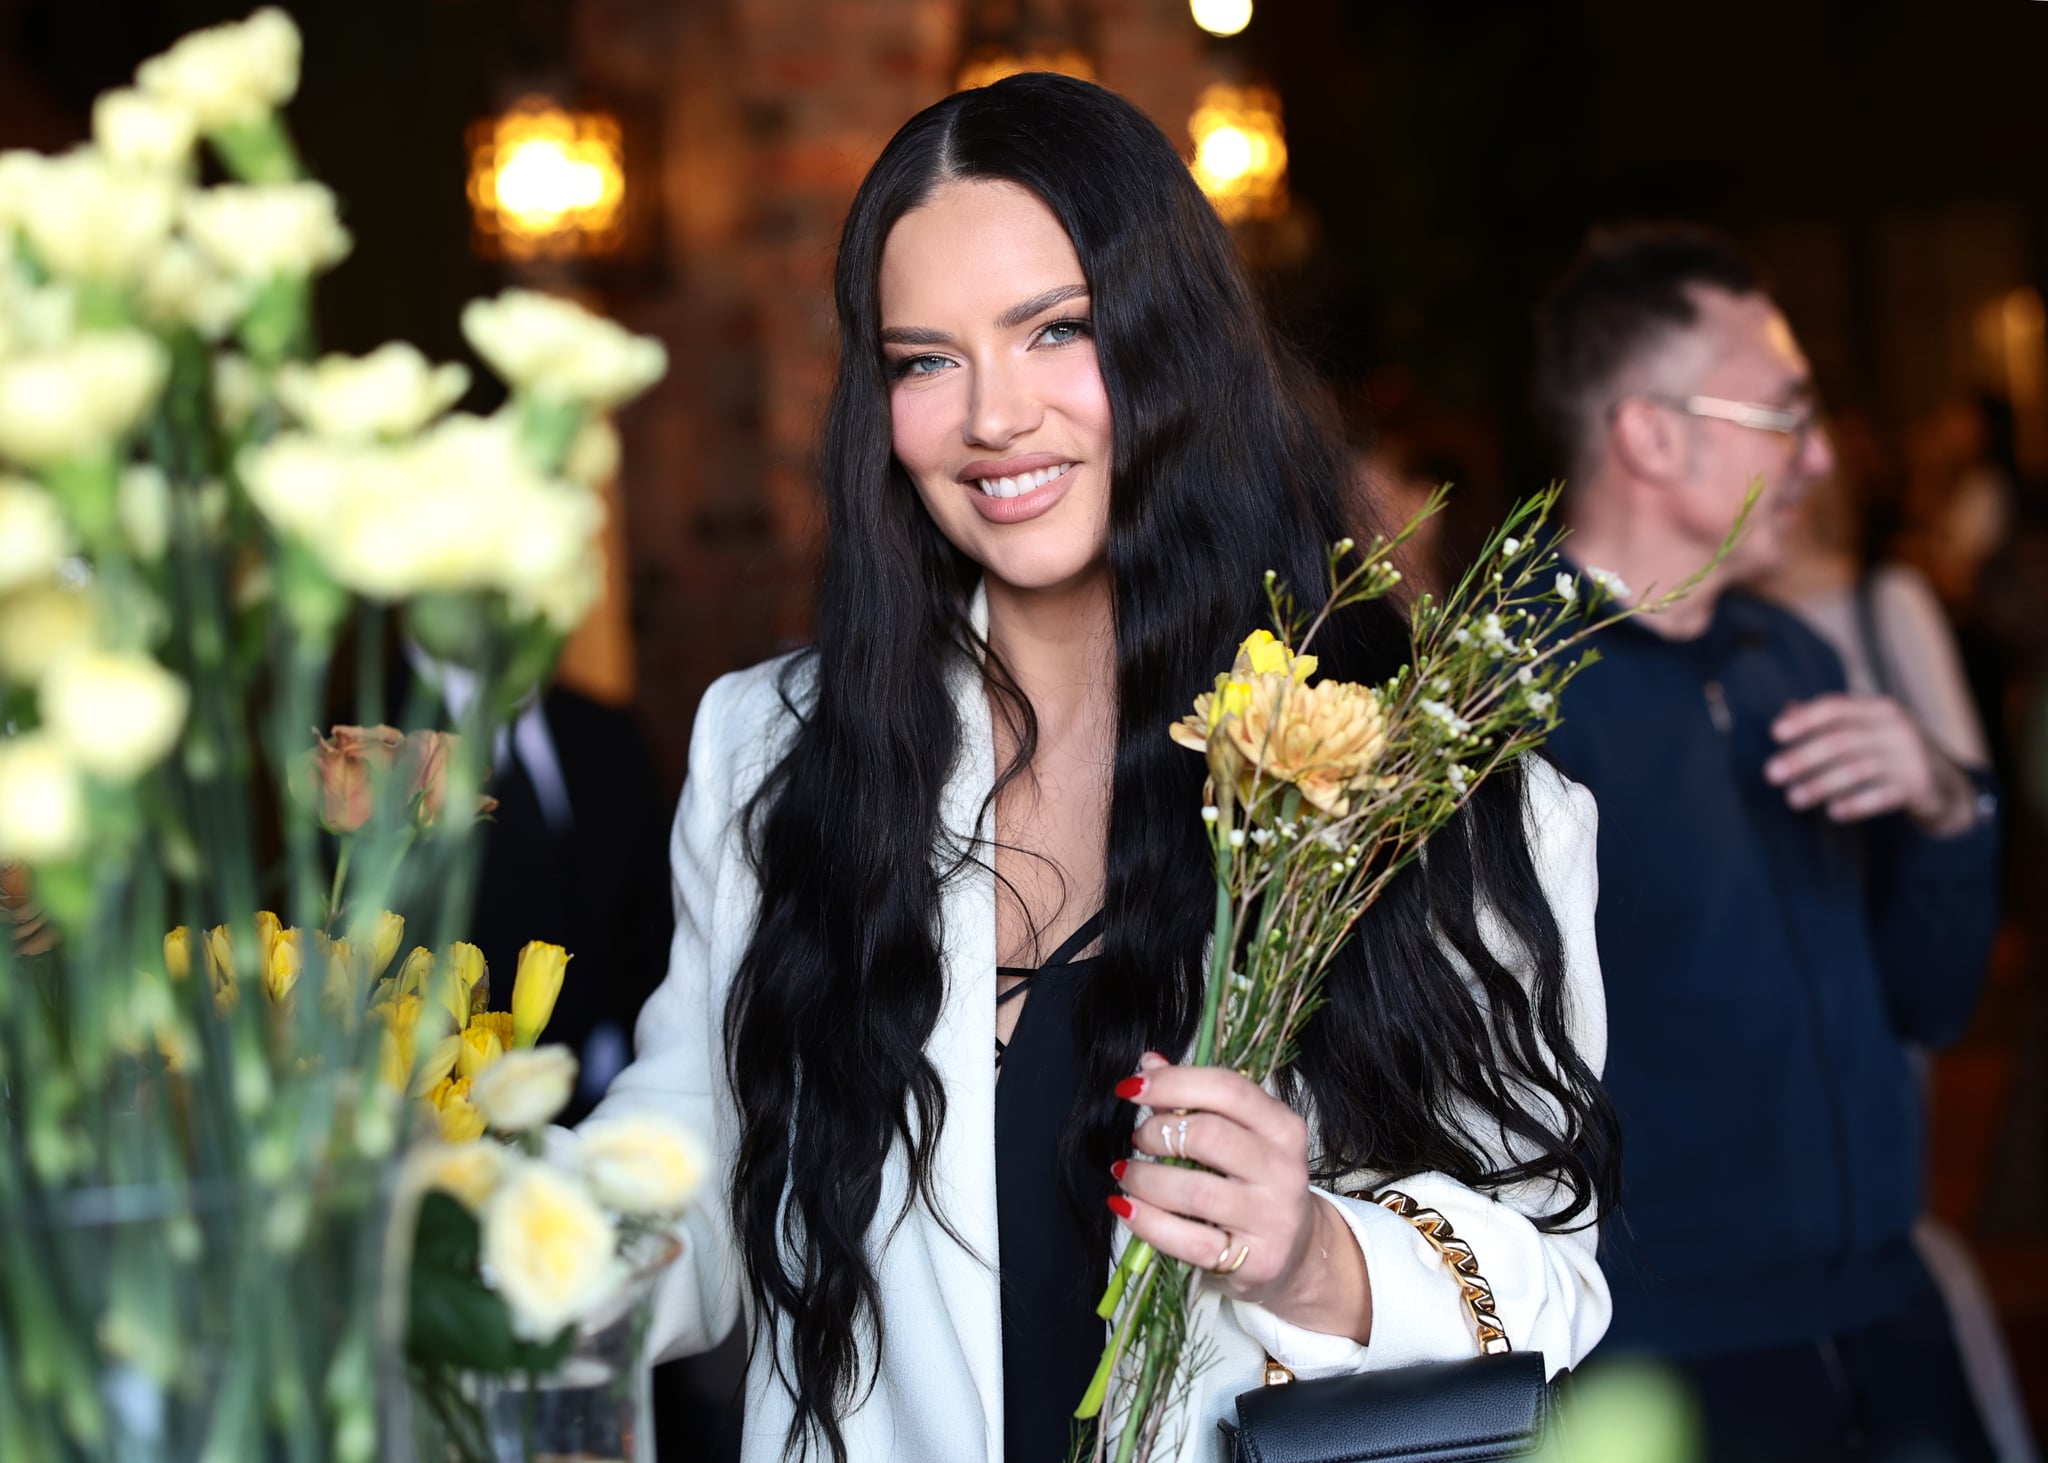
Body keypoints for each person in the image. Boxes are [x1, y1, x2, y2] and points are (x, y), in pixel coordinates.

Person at [593, 74, 1617, 1463]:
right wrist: (479, 1248)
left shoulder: (1422, 770)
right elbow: (692, 1152)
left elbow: (1549, 1273)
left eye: (1054, 330)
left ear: (1171, 338)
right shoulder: (779, 747)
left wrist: (1315, 1251)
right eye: (924, 359)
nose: (991, 416)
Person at [1531, 225, 2003, 1461]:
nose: (1822, 456)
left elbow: (1928, 1000)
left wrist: (1944, 811)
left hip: (1882, 1318)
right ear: (1649, 431)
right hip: (1665, 1355)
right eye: (1782, 413)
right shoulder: (1507, 694)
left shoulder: (1787, 658)